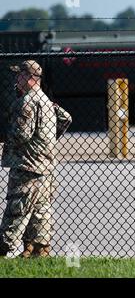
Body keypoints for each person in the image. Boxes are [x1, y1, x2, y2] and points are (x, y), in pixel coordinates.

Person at [0, 60, 72, 258]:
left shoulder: (26, 102)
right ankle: (39, 249)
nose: (16, 78)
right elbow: (66, 118)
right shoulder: (46, 101)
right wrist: (47, 140)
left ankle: (3, 248)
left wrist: (5, 140)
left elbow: (21, 134)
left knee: (17, 209)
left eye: (19, 74)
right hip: (45, 166)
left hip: (27, 166)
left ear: (29, 77)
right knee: (41, 210)